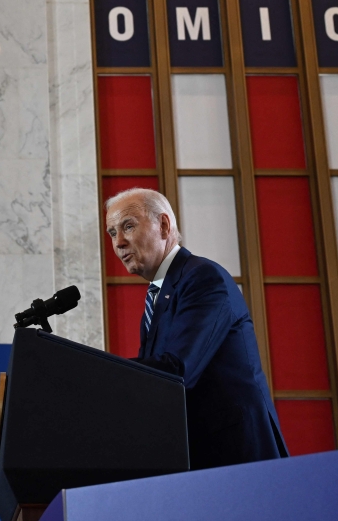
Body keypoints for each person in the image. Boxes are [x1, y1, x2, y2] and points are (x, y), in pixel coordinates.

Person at [104, 187, 288, 470]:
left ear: (163, 225)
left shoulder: (202, 277)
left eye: (128, 226)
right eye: (112, 233)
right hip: (197, 458)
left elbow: (178, 371)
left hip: (239, 458)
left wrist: (96, 374)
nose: (119, 243)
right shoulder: (158, 295)